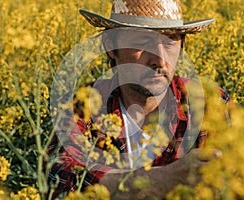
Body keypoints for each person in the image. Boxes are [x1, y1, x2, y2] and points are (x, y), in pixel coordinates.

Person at [46, 0, 231, 199]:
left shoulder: (210, 103)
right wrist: (161, 180)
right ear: (110, 45)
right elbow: (60, 179)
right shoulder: (80, 108)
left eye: (170, 41)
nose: (160, 60)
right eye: (143, 42)